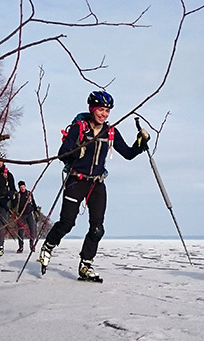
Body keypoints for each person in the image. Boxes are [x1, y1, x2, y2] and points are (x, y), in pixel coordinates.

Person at [39, 91, 149, 282]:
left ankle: (85, 266)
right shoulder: (79, 128)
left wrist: (140, 143)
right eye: (101, 110)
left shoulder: (111, 132)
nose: (104, 114)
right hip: (76, 181)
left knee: (97, 228)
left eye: (107, 111)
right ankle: (48, 245)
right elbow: (62, 154)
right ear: (92, 109)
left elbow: (129, 154)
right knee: (67, 223)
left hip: (97, 183)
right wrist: (76, 153)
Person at [0, 156, 17, 256]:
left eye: (0, 161)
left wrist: (9, 196)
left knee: (1, 224)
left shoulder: (8, 175)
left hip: (3, 201)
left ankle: (0, 246)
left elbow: (13, 189)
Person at [13, 180, 39, 253]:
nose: (22, 188)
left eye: (23, 187)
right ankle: (21, 247)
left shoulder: (29, 193)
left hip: (29, 213)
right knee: (20, 232)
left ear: (25, 186)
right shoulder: (17, 195)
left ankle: (32, 245)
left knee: (32, 230)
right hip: (21, 215)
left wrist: (36, 210)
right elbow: (14, 204)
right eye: (21, 187)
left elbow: (33, 203)